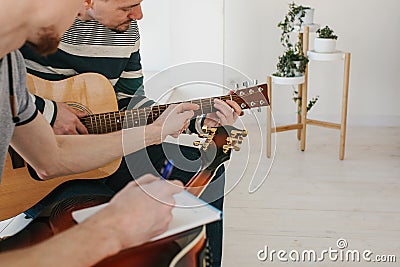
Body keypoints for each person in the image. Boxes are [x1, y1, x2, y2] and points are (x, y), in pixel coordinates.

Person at [20, 0, 243, 265]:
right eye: (128, 6)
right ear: (87, 2)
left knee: (201, 169)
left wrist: (199, 120)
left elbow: (131, 105)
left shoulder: (126, 32)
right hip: (34, 170)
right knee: (81, 210)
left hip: (109, 151)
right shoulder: (27, 22)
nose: (139, 15)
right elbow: (5, 88)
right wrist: (48, 113)